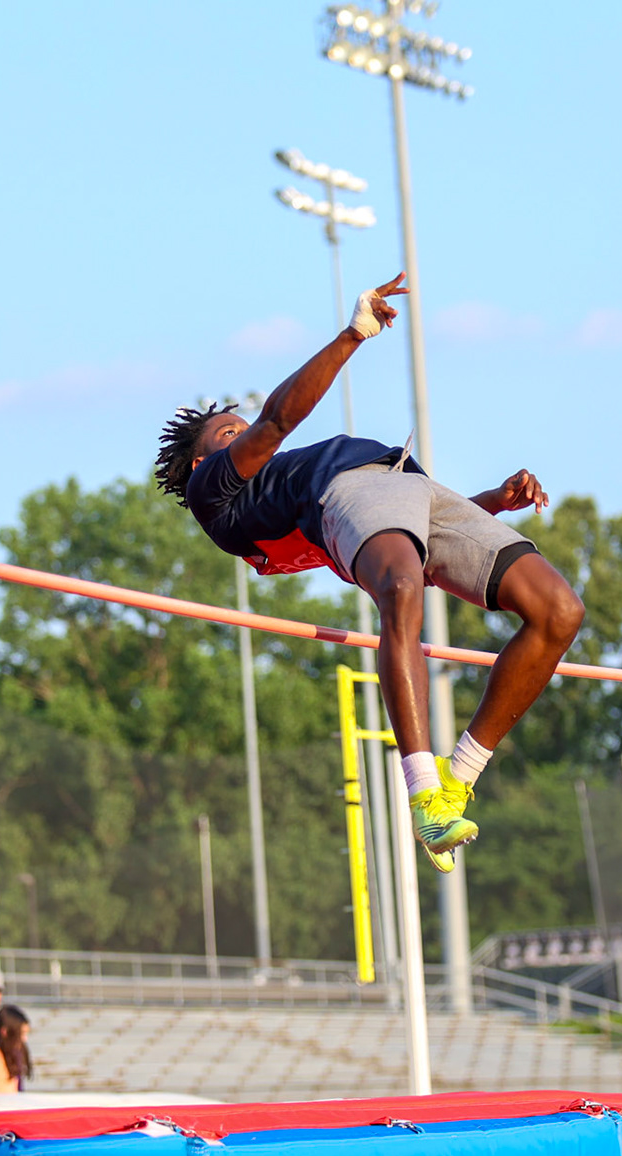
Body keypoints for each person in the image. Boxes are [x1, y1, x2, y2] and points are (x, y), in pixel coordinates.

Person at [153, 272, 585, 873]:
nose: (248, 436)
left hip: (411, 484)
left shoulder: (277, 520)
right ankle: (422, 790)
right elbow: (277, 422)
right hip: (351, 489)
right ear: (204, 460)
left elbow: (406, 533)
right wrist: (354, 332)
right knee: (402, 591)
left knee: (559, 611)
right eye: (231, 433)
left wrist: (490, 499)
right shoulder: (214, 488)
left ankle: (457, 780)